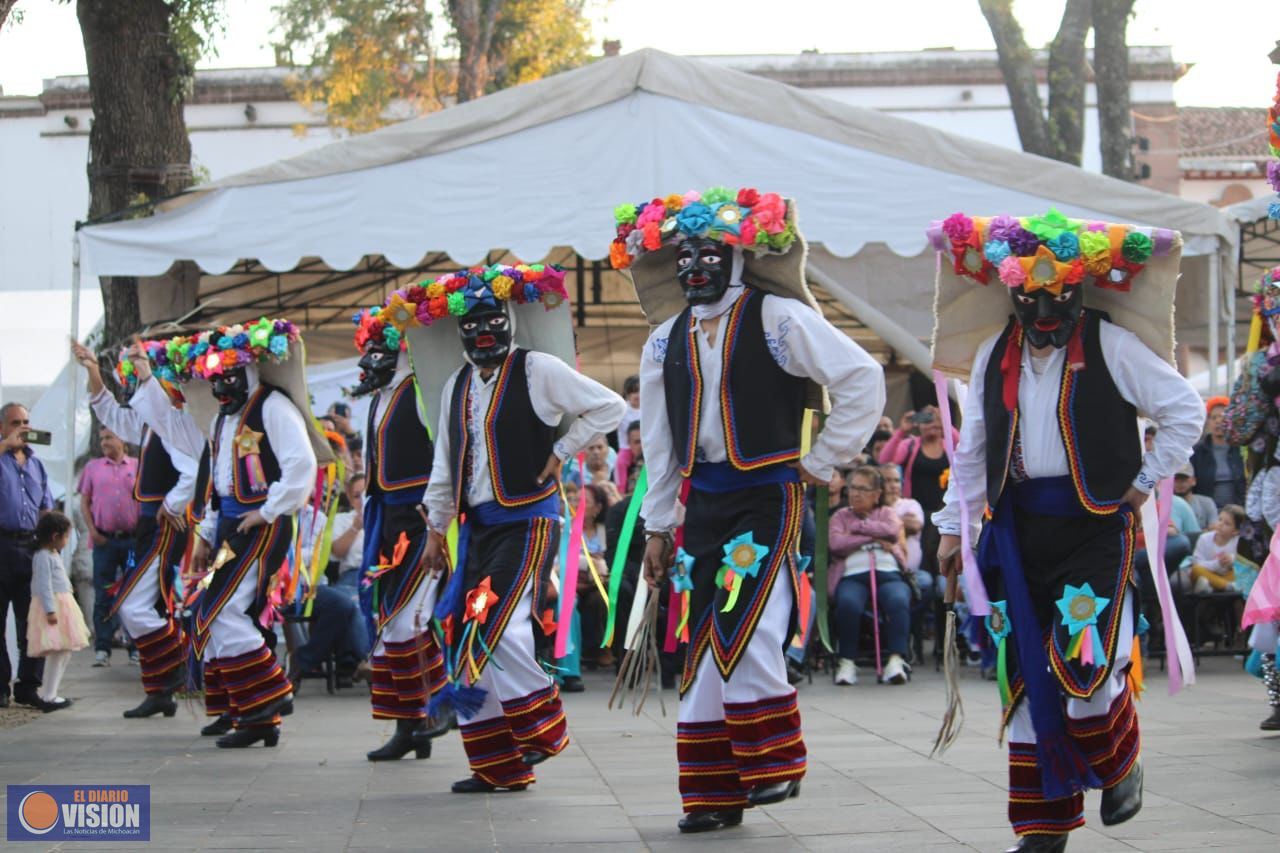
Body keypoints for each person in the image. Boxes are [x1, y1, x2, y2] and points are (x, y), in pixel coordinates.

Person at [612, 187, 884, 833]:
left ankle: (773, 760)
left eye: (710, 252)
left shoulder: (777, 318)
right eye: (685, 255)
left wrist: (821, 462)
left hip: (767, 492)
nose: (695, 266)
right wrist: (657, 526)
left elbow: (863, 378)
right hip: (704, 501)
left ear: (738, 256)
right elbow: (659, 442)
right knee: (702, 637)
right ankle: (713, 790)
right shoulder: (663, 340)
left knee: (749, 617)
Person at [931, 210, 1203, 852]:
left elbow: (1184, 410)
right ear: (1011, 292)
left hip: (1095, 529)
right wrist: (951, 528)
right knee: (1026, 673)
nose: (1045, 306)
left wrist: (1145, 480)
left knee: (1083, 669)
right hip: (1017, 534)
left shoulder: (1111, 345)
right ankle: (1042, 828)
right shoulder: (994, 351)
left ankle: (1119, 760)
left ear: (1079, 290)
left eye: (1058, 293)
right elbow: (972, 449)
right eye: (1029, 294)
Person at [408, 262, 624, 794]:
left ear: (508, 319)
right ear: (458, 331)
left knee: (499, 623)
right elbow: (443, 467)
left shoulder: (537, 369)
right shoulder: (455, 385)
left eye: (492, 319)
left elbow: (609, 406)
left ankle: (541, 728)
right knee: (467, 634)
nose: (483, 331)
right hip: (479, 526)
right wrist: (436, 533)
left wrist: (562, 449)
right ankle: (498, 765)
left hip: (529, 519)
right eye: (471, 323)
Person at [129, 318, 320, 748]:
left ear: (249, 370)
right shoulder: (221, 421)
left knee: (222, 610)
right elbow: (217, 484)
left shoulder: (273, 407)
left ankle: (272, 694)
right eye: (215, 380)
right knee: (209, 612)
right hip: (232, 526)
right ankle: (254, 718)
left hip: (263, 526)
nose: (221, 389)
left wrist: (268, 511)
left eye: (229, 378)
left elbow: (302, 466)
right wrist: (205, 536)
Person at [346, 304, 450, 761]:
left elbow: (446, 456)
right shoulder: (378, 398)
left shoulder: (423, 392)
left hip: (419, 520)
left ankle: (439, 706)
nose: (368, 359)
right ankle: (408, 725)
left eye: (378, 348)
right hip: (384, 520)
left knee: (412, 621)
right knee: (389, 625)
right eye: (366, 348)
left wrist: (439, 523)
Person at [73, 340, 197, 718]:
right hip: (150, 524)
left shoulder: (176, 422)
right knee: (147, 605)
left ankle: (176, 663)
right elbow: (109, 410)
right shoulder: (149, 424)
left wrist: (170, 505)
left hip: (164, 525)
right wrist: (93, 370)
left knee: (130, 604)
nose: (135, 393)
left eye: (142, 383)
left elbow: (192, 470)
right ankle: (160, 690)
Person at [829, 466, 912, 686]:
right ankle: (847, 661)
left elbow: (892, 532)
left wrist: (858, 528)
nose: (855, 493)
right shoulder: (840, 516)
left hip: (889, 573)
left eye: (863, 489)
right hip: (852, 575)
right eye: (853, 487)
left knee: (898, 599)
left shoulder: (887, 513)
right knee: (847, 603)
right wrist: (871, 537)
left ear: (876, 494)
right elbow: (836, 544)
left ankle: (896, 660)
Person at [0, 401, 50, 707]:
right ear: (4, 427)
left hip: (30, 545)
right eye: (17, 422)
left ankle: (29, 685)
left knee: (32, 620)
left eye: (27, 422)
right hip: (1, 543)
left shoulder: (36, 464)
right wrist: (4, 445)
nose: (24, 428)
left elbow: (46, 506)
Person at [78, 425, 140, 667]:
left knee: (135, 593)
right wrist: (93, 531)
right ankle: (102, 648)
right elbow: (84, 503)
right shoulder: (92, 468)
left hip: (132, 541)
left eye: (109, 438)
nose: (104, 442)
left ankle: (136, 647)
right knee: (103, 593)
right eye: (102, 438)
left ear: (122, 440)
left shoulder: (137, 466)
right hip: (104, 541)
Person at [27, 510, 89, 712]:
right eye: (66, 537)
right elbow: (43, 585)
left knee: (64, 651)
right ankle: (49, 695)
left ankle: (50, 692)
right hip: (55, 606)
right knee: (58, 651)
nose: (66, 542)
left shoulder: (51, 554)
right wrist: (50, 610)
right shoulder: (44, 557)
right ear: (55, 536)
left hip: (62, 604)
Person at [881, 463, 928, 596]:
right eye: (887, 480)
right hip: (882, 572)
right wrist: (901, 521)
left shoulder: (911, 504)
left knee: (926, 582)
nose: (893, 485)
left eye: (897, 481)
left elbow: (914, 526)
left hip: (911, 574)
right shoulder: (873, 507)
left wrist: (881, 524)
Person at [1191, 398, 1246, 510]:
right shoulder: (1197, 452)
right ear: (1208, 421)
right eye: (1213, 417)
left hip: (1236, 514)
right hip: (1206, 513)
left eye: (1222, 416)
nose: (1218, 421)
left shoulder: (1240, 449)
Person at [1182, 505, 1244, 593]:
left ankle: (1214, 586)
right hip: (1207, 574)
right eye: (1220, 519)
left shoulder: (1239, 542)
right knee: (1196, 570)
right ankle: (1226, 586)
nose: (1220, 524)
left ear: (1236, 531)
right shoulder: (1204, 538)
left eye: (1227, 524)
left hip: (1227, 575)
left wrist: (1232, 560)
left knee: (1239, 572)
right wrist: (1217, 564)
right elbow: (1197, 562)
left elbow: (1244, 565)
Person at [1173, 463, 1218, 535]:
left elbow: (1214, 528)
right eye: (1176, 479)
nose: (1180, 483)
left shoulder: (1206, 502)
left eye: (1184, 479)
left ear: (1193, 481)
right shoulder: (1166, 504)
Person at [616, 374, 641, 449]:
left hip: (646, 447)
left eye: (640, 391)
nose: (638, 395)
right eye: (634, 391)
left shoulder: (649, 408)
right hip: (627, 448)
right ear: (627, 394)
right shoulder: (622, 409)